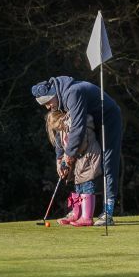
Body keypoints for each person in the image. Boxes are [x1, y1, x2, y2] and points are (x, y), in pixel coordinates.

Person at [32, 76, 122, 226]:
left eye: (48, 102)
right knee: (78, 167)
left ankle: (108, 211)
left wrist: (69, 156)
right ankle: (77, 212)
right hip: (92, 122)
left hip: (108, 119)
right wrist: (60, 159)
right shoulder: (60, 100)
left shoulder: (73, 93)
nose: (48, 107)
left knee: (108, 162)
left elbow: (77, 129)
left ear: (54, 94)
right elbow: (62, 130)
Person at [46, 110, 102, 226]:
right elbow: (64, 148)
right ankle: (77, 214)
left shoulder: (73, 125)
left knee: (87, 185)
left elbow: (81, 143)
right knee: (78, 186)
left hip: (89, 156)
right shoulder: (63, 130)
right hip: (79, 159)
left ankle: (87, 217)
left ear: (61, 120)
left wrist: (69, 158)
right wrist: (63, 163)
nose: (59, 130)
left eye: (58, 127)